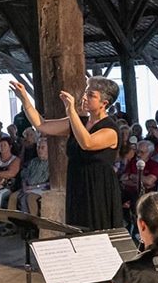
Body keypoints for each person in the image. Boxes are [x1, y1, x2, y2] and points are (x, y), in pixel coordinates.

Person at [11, 77, 123, 231]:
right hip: (77, 184)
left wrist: (71, 111)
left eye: (91, 95)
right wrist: (25, 100)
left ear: (104, 103)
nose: (84, 98)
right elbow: (42, 125)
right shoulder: (79, 122)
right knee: (76, 230)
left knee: (97, 230)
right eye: (85, 93)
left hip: (98, 187)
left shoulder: (110, 129)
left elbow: (87, 142)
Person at [10, 137, 49, 215]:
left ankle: (33, 222)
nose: (39, 150)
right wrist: (24, 185)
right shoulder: (33, 161)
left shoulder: (50, 163)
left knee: (30, 198)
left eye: (42, 148)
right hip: (27, 187)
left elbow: (49, 183)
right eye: (38, 147)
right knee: (13, 197)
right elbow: (25, 175)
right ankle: (12, 222)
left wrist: (33, 187)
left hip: (42, 188)